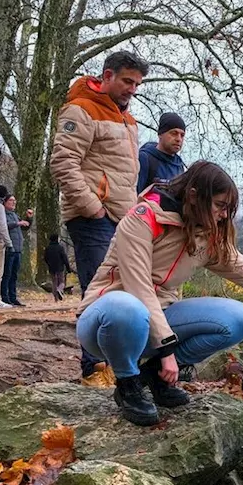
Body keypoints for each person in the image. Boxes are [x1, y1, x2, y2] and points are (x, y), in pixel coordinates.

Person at [76, 160, 243, 426]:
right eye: (220, 206)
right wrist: (166, 349)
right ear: (194, 195)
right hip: (105, 324)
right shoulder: (143, 217)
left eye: (228, 208)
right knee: (128, 308)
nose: (224, 215)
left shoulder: (205, 235)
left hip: (156, 324)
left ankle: (154, 377)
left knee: (239, 319)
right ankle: (128, 383)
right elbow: (139, 286)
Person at [49, 50, 147, 376]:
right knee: (98, 291)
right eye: (126, 81)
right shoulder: (81, 110)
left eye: (137, 83)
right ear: (107, 76)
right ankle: (94, 368)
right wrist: (93, 208)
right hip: (93, 218)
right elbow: (63, 163)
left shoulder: (126, 118)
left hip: (123, 219)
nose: (132, 88)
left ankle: (115, 364)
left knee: (120, 291)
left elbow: (124, 173)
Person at [137, 112, 187, 191]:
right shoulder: (145, 158)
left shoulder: (179, 165)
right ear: (160, 134)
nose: (179, 139)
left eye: (182, 135)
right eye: (174, 133)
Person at [0, 193, 29, 306]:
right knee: (6, 274)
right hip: (9, 248)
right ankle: (5, 297)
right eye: (11, 200)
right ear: (5, 202)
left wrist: (28, 218)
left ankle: (13, 297)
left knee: (14, 275)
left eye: (14, 201)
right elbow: (4, 226)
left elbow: (25, 227)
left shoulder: (14, 214)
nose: (14, 202)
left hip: (18, 249)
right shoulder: (2, 214)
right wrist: (18, 223)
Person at [44, 232, 72, 301]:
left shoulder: (48, 248)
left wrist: (49, 264)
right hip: (60, 267)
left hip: (51, 267)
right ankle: (59, 290)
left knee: (54, 282)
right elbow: (64, 258)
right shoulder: (60, 248)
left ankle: (56, 299)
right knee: (61, 282)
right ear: (57, 239)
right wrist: (68, 268)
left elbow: (45, 258)